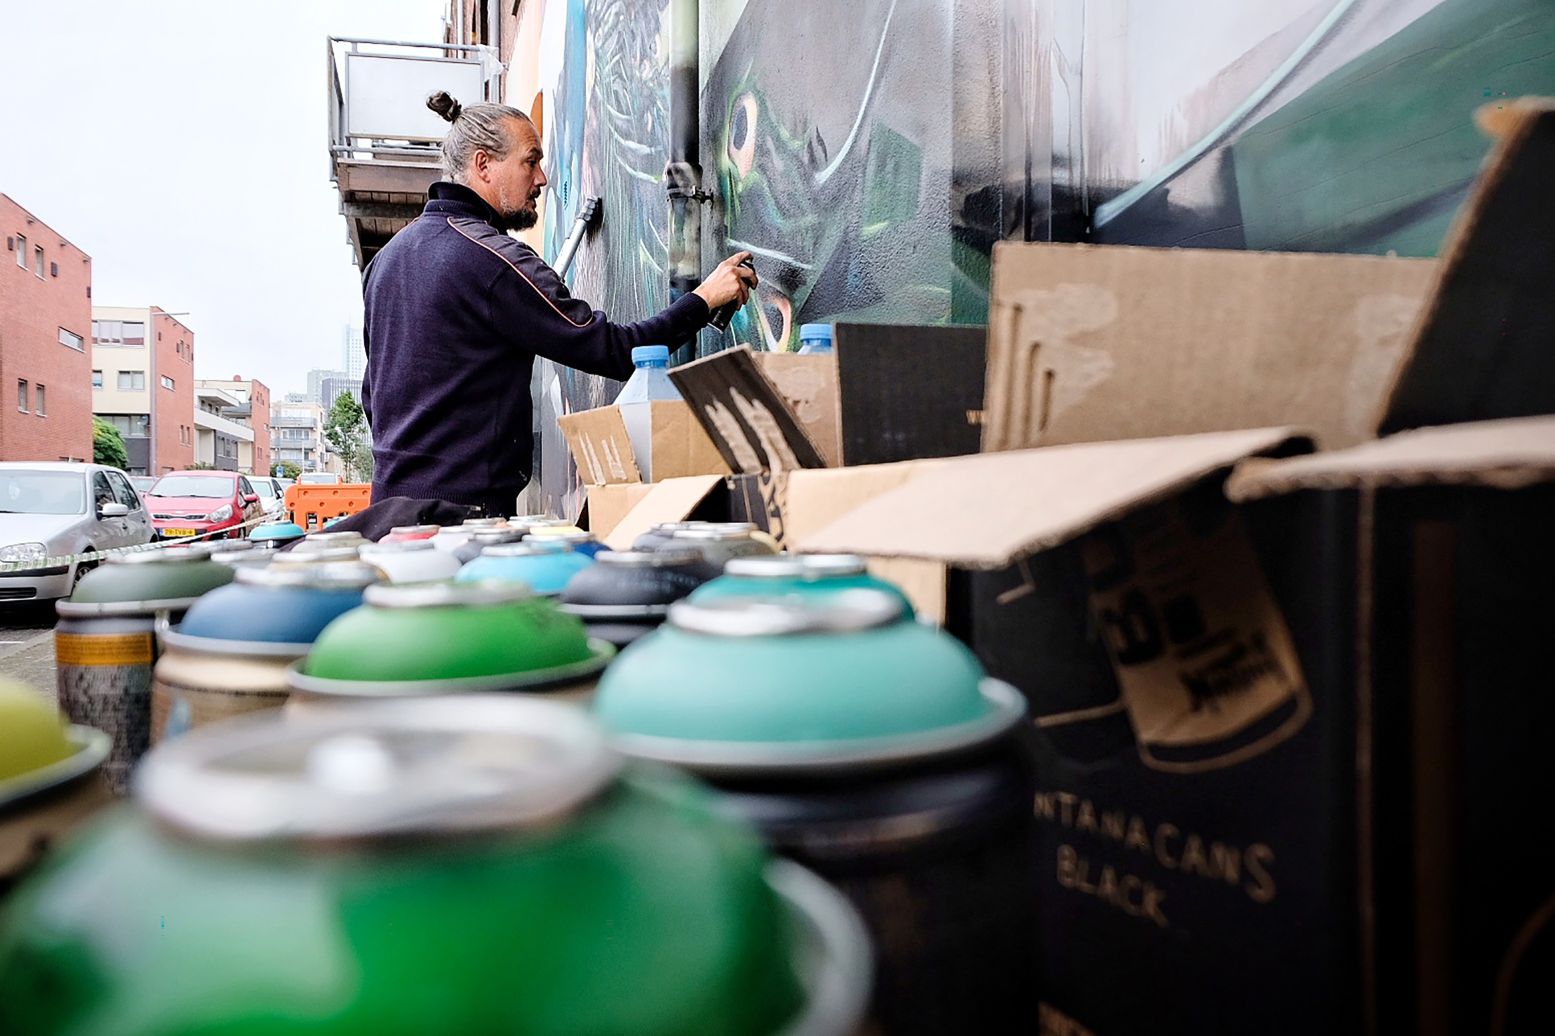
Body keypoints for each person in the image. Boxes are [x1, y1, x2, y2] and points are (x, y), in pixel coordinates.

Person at [360, 92, 757, 516]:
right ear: (483, 165)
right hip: (462, 521)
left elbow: (373, 396)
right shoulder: (490, 260)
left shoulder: (386, 260)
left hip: (389, 515)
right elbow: (616, 350)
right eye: (530, 161)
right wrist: (703, 299)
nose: (543, 178)